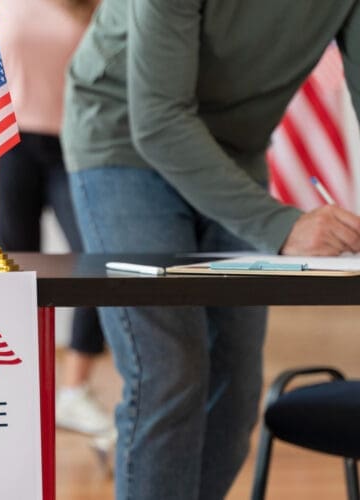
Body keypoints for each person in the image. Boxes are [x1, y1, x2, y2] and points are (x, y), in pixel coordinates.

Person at [62, 1, 360, 499]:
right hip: (123, 140)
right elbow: (157, 121)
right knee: (169, 370)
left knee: (236, 385)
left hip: (233, 151)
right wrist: (282, 226)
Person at [0, 0, 116, 451]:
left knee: (97, 261)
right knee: (13, 268)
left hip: (77, 145)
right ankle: (18, 393)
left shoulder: (96, 7)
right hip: (7, 142)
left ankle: (74, 389)